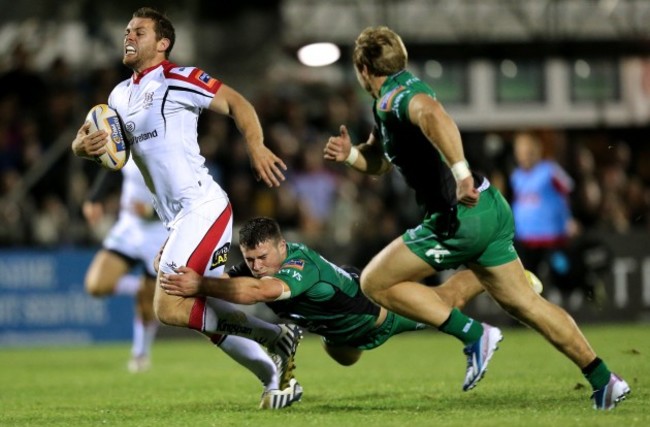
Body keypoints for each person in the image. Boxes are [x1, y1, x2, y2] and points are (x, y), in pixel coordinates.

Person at [322, 26, 629, 410]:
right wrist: (352, 155)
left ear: (363, 68)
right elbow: (381, 161)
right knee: (527, 305)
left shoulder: (396, 100)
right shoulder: (395, 96)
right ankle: (604, 380)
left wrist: (460, 173)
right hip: (487, 208)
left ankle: (473, 335)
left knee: (374, 282)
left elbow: (434, 115)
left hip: (457, 217)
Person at [71, 7, 301, 409]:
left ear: (162, 44)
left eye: (139, 31)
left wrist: (256, 145)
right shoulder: (118, 96)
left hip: (203, 207)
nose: (128, 36)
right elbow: (97, 143)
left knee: (168, 305)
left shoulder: (180, 79)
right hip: (175, 221)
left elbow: (237, 104)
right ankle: (273, 376)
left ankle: (270, 335)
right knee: (206, 312)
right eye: (127, 30)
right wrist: (82, 147)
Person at [159, 216, 503, 366]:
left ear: (282, 246)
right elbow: (231, 283)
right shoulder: (252, 268)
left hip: (381, 318)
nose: (257, 266)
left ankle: (508, 276)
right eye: (250, 260)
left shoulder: (298, 263)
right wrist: (169, 258)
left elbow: (258, 292)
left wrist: (201, 283)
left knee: (449, 299)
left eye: (263, 257)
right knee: (341, 355)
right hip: (343, 337)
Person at [82, 160, 167, 373]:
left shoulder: (172, 148)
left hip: (160, 231)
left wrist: (150, 211)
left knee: (148, 308)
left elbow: (189, 197)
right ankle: (140, 286)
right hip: (129, 227)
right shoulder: (129, 136)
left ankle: (140, 354)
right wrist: (95, 198)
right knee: (96, 285)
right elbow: (113, 169)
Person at [510, 130, 577, 299]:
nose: (524, 155)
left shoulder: (550, 171)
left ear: (537, 150)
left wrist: (569, 219)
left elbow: (568, 191)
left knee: (561, 272)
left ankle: (574, 300)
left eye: (527, 150)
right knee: (526, 280)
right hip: (525, 238)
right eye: (520, 151)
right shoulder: (516, 176)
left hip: (551, 237)